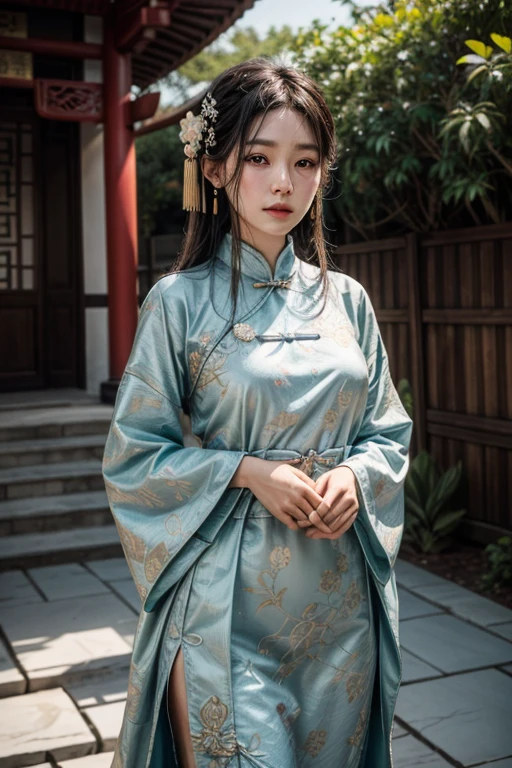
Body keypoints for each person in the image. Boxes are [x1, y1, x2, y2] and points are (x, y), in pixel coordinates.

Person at [102, 57, 413, 768]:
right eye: (260, 158)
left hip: (339, 602)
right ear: (214, 169)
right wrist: (248, 472)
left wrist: (358, 479)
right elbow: (134, 457)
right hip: (225, 604)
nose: (284, 182)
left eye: (305, 162)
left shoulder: (349, 302)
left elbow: (387, 430)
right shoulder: (178, 303)